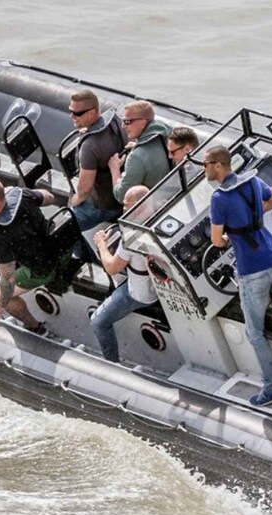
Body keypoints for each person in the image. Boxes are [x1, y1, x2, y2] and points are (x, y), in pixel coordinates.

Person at [205, 146, 272, 406]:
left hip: (252, 269)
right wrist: (252, 218)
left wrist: (230, 235)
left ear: (218, 165)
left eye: (205, 164)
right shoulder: (254, 180)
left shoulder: (219, 198)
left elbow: (217, 240)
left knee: (254, 332)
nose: (203, 169)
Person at [0, 179, 72, 334]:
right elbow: (49, 197)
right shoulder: (21, 194)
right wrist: (16, 191)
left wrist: (0, 306)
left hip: (44, 268)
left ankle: (35, 327)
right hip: (62, 249)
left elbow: (8, 277)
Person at [89, 185, 157, 363]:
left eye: (127, 205)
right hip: (160, 282)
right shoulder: (161, 213)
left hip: (142, 293)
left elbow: (112, 267)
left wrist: (101, 244)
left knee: (98, 322)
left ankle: (112, 363)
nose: (124, 209)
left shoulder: (131, 235)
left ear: (139, 205)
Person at [68, 89, 127, 230]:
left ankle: (80, 250)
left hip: (105, 205)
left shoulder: (90, 146)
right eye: (71, 111)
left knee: (69, 225)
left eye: (77, 113)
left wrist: (73, 201)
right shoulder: (115, 121)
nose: (72, 116)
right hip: (119, 193)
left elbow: (84, 190)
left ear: (91, 113)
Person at [109, 100, 171, 203]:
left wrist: (114, 169)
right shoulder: (165, 136)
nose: (123, 126)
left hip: (150, 207)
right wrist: (137, 145)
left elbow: (122, 196)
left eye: (127, 122)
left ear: (142, 123)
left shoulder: (136, 157)